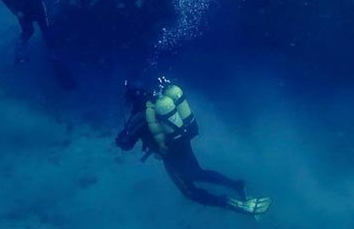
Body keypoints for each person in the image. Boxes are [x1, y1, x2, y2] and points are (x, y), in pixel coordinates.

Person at [116, 78, 271, 217]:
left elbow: (126, 144)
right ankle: (236, 185)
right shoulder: (158, 102)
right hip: (183, 143)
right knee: (198, 173)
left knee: (190, 193)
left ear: (132, 98)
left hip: (171, 155)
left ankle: (235, 205)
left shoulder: (139, 117)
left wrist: (122, 135)